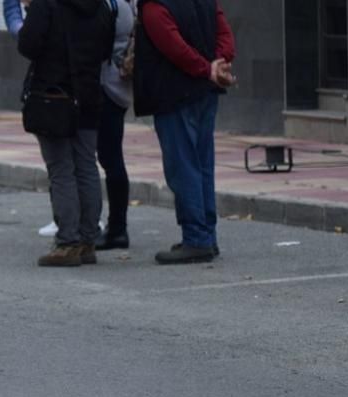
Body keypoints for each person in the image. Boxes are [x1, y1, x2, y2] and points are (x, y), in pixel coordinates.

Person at [133, 0, 235, 264]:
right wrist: (219, 64)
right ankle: (207, 236)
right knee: (202, 165)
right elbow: (224, 33)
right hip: (205, 92)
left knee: (183, 167)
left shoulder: (154, 5)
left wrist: (207, 69)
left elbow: (173, 47)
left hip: (174, 95)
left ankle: (196, 238)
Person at [18, 0, 115, 266]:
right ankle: (87, 240)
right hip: (89, 94)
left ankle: (67, 242)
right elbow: (106, 49)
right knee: (86, 166)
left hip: (53, 97)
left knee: (61, 169)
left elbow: (27, 45)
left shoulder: (45, 4)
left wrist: (29, 11)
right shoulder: (101, 6)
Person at [94, 0, 135, 251]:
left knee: (110, 158)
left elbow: (98, 43)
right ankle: (116, 226)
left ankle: (117, 228)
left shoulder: (112, 5)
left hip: (107, 87)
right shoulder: (124, 4)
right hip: (116, 87)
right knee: (111, 157)